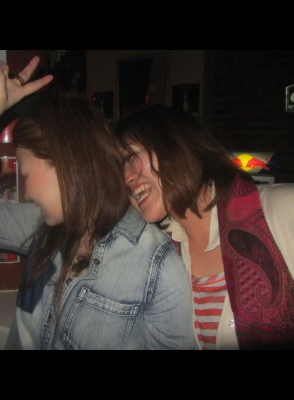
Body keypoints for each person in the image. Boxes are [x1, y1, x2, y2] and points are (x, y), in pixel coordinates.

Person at [0, 57, 197, 350]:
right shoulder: (40, 228)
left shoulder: (156, 267)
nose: (26, 192)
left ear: (64, 163)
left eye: (25, 174)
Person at [114, 104, 294, 350]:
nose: (126, 178)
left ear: (175, 144)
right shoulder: (161, 250)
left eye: (130, 157)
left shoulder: (281, 210)